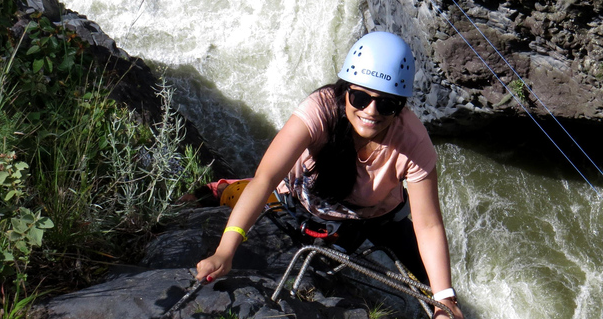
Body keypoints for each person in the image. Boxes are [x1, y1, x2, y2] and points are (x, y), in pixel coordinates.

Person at [196, 31, 463, 319]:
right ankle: (220, 189)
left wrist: (444, 298)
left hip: (372, 219)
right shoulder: (319, 111)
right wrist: (225, 251)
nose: (371, 111)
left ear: (401, 106)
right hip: (299, 203)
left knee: (435, 288)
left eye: (387, 104)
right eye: (360, 97)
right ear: (346, 88)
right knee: (232, 196)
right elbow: (266, 179)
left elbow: (428, 225)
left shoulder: (413, 140)